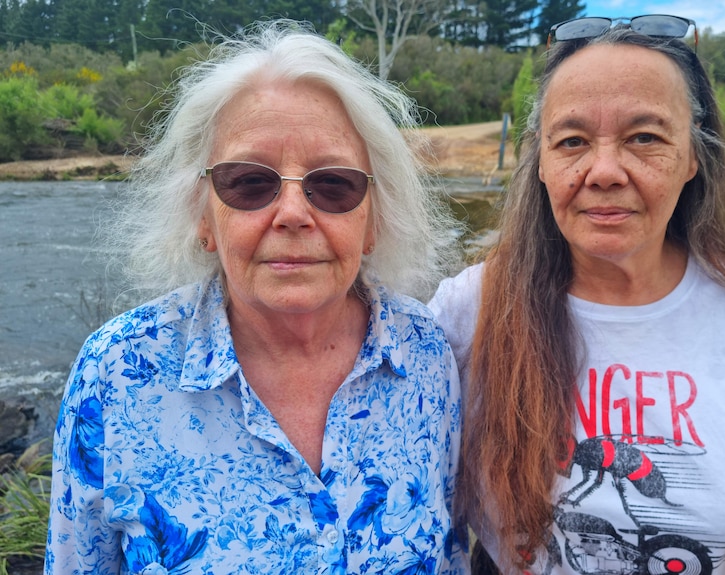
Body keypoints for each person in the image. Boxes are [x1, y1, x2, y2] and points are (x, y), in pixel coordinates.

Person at [45, 21, 468, 574]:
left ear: (373, 220)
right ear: (202, 215)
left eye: (334, 184)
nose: (293, 213)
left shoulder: (425, 353)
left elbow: (449, 553)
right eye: (248, 182)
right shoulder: (118, 372)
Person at [429, 15, 725, 575]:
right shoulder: (464, 311)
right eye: (572, 141)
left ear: (693, 157)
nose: (605, 171)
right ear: (542, 163)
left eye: (644, 137)